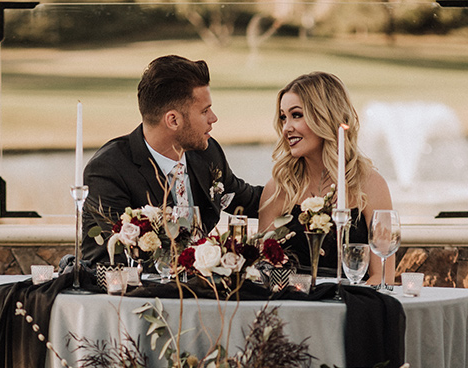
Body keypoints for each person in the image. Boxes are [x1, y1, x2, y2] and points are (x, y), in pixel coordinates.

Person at [80, 55, 262, 264]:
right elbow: (120, 260)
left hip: (202, 292)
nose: (213, 118)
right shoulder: (108, 170)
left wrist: (304, 199)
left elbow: (249, 200)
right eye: (204, 111)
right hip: (133, 294)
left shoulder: (207, 153)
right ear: (173, 120)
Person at [258, 72, 395, 283]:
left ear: (324, 117)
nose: (286, 128)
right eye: (284, 117)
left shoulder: (370, 185)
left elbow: (383, 275)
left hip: (354, 306)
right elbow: (264, 271)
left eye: (297, 115)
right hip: (293, 307)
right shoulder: (279, 188)